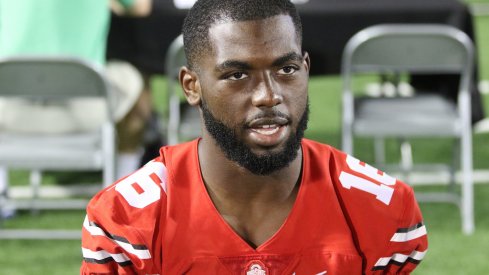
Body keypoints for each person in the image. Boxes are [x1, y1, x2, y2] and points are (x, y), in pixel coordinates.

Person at [81, 0, 428, 274]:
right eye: (236, 74)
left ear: (306, 70)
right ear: (192, 86)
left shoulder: (380, 207)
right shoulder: (126, 217)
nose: (268, 95)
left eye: (286, 69)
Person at [0, 0, 153, 196]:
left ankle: (1, 190)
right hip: (84, 115)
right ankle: (123, 192)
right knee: (136, 87)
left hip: (10, 115)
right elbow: (142, 7)